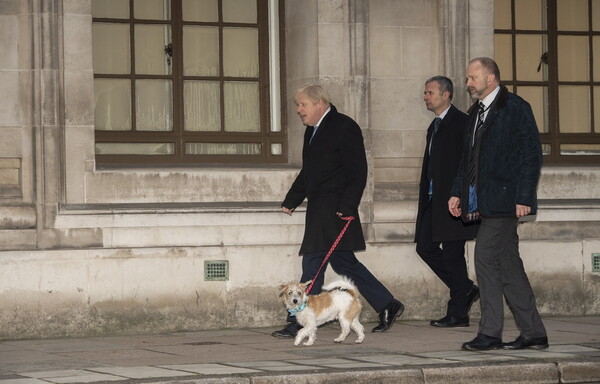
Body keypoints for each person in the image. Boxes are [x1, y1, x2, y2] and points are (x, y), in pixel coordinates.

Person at [271, 84, 404, 339]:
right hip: (320, 210)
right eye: (298, 105)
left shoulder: (345, 126)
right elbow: (309, 171)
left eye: (302, 105)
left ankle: (299, 321)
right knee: (345, 263)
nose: (299, 110)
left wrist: (347, 206)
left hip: (336, 211)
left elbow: (358, 171)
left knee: (313, 262)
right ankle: (388, 304)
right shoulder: (311, 131)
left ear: (319, 103)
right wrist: (292, 199)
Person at [448, 57, 548, 351]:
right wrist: (457, 192)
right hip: (484, 200)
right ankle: (534, 333)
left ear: (490, 78)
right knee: (508, 266)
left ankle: (490, 333)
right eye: (468, 78)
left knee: (485, 258)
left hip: (506, 200)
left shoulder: (515, 108)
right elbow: (467, 159)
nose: (468, 84)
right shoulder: (475, 112)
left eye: (472, 78)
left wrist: (524, 197)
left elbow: (532, 155)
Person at [415, 76, 480, 328]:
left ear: (446, 95)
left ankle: (458, 313)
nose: (425, 97)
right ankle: (465, 288)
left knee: (453, 254)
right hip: (434, 200)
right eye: (425, 92)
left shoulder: (462, 123)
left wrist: (461, 196)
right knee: (425, 247)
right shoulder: (434, 126)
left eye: (430, 92)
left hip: (455, 201)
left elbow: (469, 164)